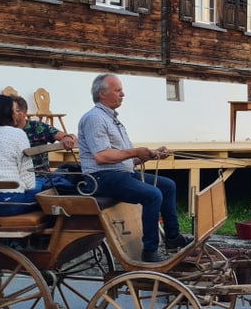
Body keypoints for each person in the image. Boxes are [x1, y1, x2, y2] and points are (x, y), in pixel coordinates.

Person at [77, 73, 193, 263]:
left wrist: (151, 154)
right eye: (118, 90)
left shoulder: (112, 119)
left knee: (168, 185)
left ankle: (172, 238)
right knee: (153, 195)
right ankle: (149, 251)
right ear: (102, 94)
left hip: (120, 173)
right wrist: (135, 152)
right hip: (102, 178)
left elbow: (124, 160)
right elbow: (102, 157)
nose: (123, 94)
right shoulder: (95, 118)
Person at [13, 95, 77, 184]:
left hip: (38, 177)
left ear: (24, 112)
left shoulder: (37, 127)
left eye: (12, 111)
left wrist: (68, 138)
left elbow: (67, 136)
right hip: (12, 178)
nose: (8, 115)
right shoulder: (3, 130)